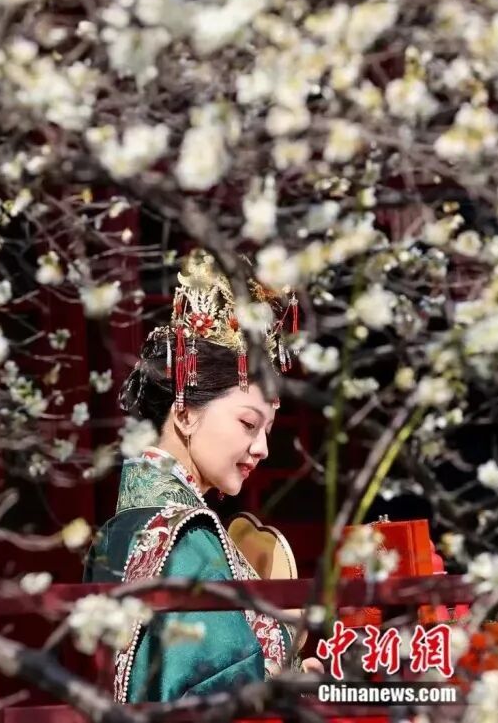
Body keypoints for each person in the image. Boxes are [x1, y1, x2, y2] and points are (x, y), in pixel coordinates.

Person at [84, 250, 321, 703]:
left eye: (268, 431)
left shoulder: (127, 526)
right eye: (248, 424)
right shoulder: (184, 538)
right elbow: (211, 692)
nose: (262, 448)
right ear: (186, 414)